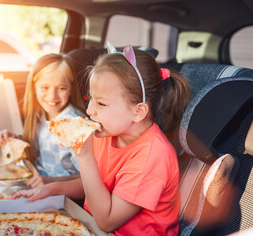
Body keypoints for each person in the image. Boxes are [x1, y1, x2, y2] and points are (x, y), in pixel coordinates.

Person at [12, 43, 191, 235]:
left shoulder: (153, 156)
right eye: (90, 99)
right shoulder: (107, 133)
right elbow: (95, 185)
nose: (89, 111)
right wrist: (53, 188)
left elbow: (107, 222)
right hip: (92, 224)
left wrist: (85, 157)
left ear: (138, 111)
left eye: (101, 103)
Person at [0, 53, 86, 188]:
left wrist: (51, 181)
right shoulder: (41, 115)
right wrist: (15, 140)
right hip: (37, 182)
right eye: (45, 87)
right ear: (34, 87)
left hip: (64, 195)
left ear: (71, 89)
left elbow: (88, 178)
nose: (52, 96)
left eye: (61, 88)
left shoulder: (75, 126)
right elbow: (43, 148)